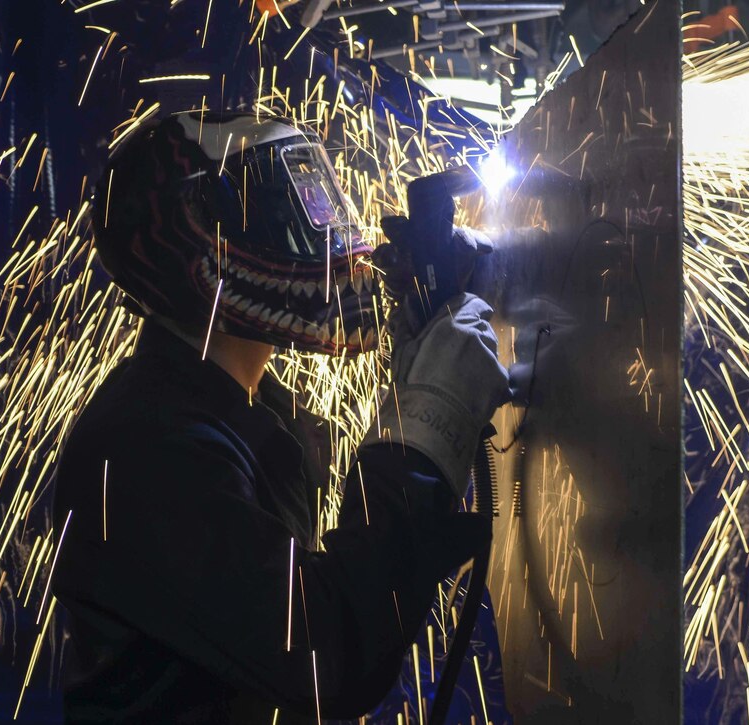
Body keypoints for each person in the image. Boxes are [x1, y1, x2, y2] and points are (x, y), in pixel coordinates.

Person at [50, 111, 509, 723]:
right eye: (291, 212)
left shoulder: (243, 408)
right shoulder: (143, 450)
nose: (334, 247)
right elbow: (325, 658)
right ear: (204, 242)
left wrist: (422, 347)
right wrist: (429, 428)